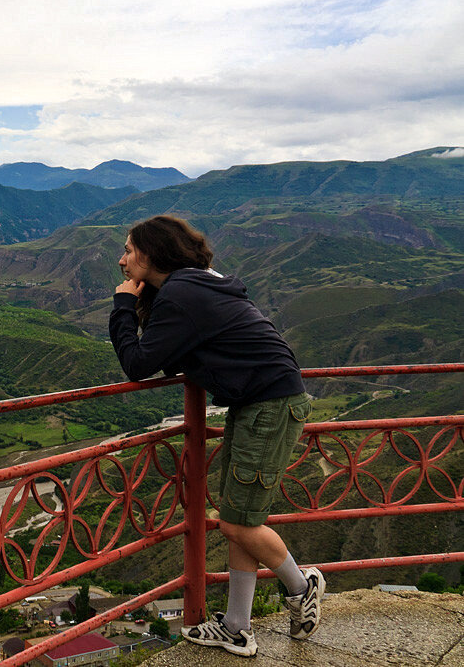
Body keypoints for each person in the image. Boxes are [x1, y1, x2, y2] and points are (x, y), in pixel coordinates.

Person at [107, 215, 325, 658]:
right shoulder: (197, 283)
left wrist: (123, 306)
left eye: (128, 251)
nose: (121, 260)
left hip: (269, 404)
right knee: (240, 522)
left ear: (149, 255)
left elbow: (137, 363)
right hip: (260, 400)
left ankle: (302, 587)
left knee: (236, 523)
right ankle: (237, 628)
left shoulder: (182, 294)